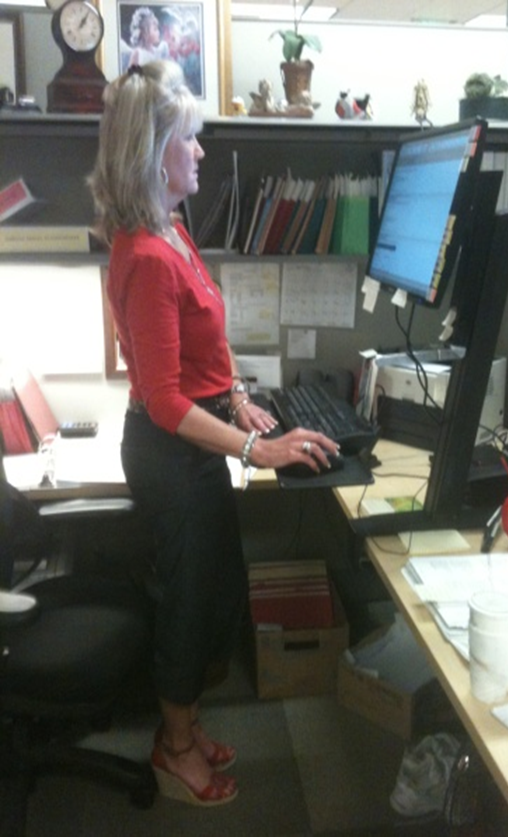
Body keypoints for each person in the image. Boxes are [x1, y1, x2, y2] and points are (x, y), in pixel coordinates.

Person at [88, 59, 339, 808]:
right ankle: (173, 747)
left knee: (216, 588)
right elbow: (164, 400)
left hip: (197, 442)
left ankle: (188, 727)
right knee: (189, 602)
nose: (200, 152)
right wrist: (257, 448)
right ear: (154, 148)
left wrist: (234, 397)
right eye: (191, 139)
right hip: (171, 453)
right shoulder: (142, 255)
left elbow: (205, 342)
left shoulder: (171, 231)